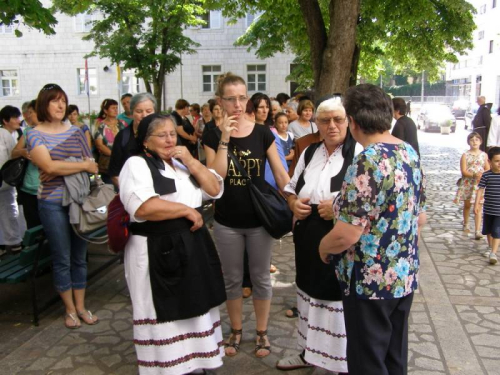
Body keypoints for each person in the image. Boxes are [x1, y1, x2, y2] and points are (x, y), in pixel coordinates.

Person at [319, 83, 427, 375]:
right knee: (394, 356)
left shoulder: (367, 161)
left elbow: (347, 233)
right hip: (403, 275)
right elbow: (420, 216)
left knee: (368, 360)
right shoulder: (408, 153)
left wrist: (323, 247)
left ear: (352, 122)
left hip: (370, 281)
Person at [119, 113, 226, 375]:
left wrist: (190, 160)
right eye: (161, 135)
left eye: (172, 134)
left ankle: (196, 361)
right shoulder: (136, 165)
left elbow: (213, 188)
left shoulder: (180, 164)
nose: (169, 139)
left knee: (195, 303)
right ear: (145, 141)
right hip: (156, 249)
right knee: (166, 311)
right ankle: (169, 366)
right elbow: (143, 207)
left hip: (190, 247)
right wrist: (186, 211)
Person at [203, 72, 290, 358]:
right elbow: (218, 177)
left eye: (242, 97)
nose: (238, 104)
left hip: (258, 221)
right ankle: (236, 330)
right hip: (227, 220)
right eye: (231, 99)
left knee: (261, 278)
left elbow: (279, 173)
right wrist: (225, 136)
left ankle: (262, 333)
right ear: (221, 101)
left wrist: (294, 197)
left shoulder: (263, 131)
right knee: (232, 280)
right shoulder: (212, 133)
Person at [276, 97, 356, 374]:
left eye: (338, 119)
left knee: (333, 299)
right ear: (316, 124)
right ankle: (308, 352)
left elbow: (368, 200)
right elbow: (290, 186)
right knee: (308, 292)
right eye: (325, 120)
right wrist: (292, 202)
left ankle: (335, 362)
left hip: (340, 236)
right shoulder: (310, 151)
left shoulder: (359, 154)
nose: (331, 126)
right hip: (308, 233)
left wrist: (337, 208)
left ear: (348, 121)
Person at [26, 83, 99, 329]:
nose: (60, 105)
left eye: (63, 101)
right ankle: (69, 310)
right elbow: (49, 168)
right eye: (54, 101)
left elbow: (92, 164)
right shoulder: (34, 133)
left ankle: (81, 307)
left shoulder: (77, 131)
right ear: (43, 104)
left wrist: (64, 164)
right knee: (62, 257)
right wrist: (77, 165)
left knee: (79, 256)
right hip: (51, 202)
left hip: (78, 200)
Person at [108, 92, 156, 188]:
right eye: (139, 111)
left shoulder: (163, 135)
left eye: (148, 111)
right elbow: (114, 174)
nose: (144, 115)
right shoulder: (122, 137)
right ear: (132, 112)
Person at [11, 100, 42, 229]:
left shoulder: (54, 131)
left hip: (48, 189)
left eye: (31, 112)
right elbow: (14, 153)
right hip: (29, 187)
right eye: (27, 113)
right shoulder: (28, 131)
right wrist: (22, 152)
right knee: (33, 225)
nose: (28, 116)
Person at [454, 132, 489, 238]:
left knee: (478, 206)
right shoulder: (465, 155)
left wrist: (482, 174)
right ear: (468, 142)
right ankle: (466, 223)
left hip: (479, 184)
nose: (474, 142)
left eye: (477, 140)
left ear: (480, 142)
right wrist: (473, 174)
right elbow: (463, 171)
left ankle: (478, 230)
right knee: (468, 205)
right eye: (472, 140)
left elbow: (487, 168)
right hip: (468, 183)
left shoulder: (484, 155)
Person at [0, 105, 24, 254]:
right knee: (9, 209)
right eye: (15, 117)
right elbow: (14, 155)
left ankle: (4, 244)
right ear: (5, 120)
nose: (18, 120)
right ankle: (14, 242)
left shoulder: (14, 134)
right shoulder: (5, 134)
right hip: (5, 180)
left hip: (4, 181)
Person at [475, 147, 500, 264]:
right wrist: (476, 205)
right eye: (497, 161)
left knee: (497, 231)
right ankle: (491, 248)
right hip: (488, 209)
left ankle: (494, 253)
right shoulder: (486, 175)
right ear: (489, 162)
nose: (499, 163)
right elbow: (480, 190)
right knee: (488, 231)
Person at [94, 99, 127, 184]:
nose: (116, 110)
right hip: (108, 163)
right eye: (113, 108)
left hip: (124, 161)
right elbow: (99, 145)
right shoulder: (101, 125)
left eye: (116, 108)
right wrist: (114, 155)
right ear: (105, 110)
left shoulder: (122, 123)